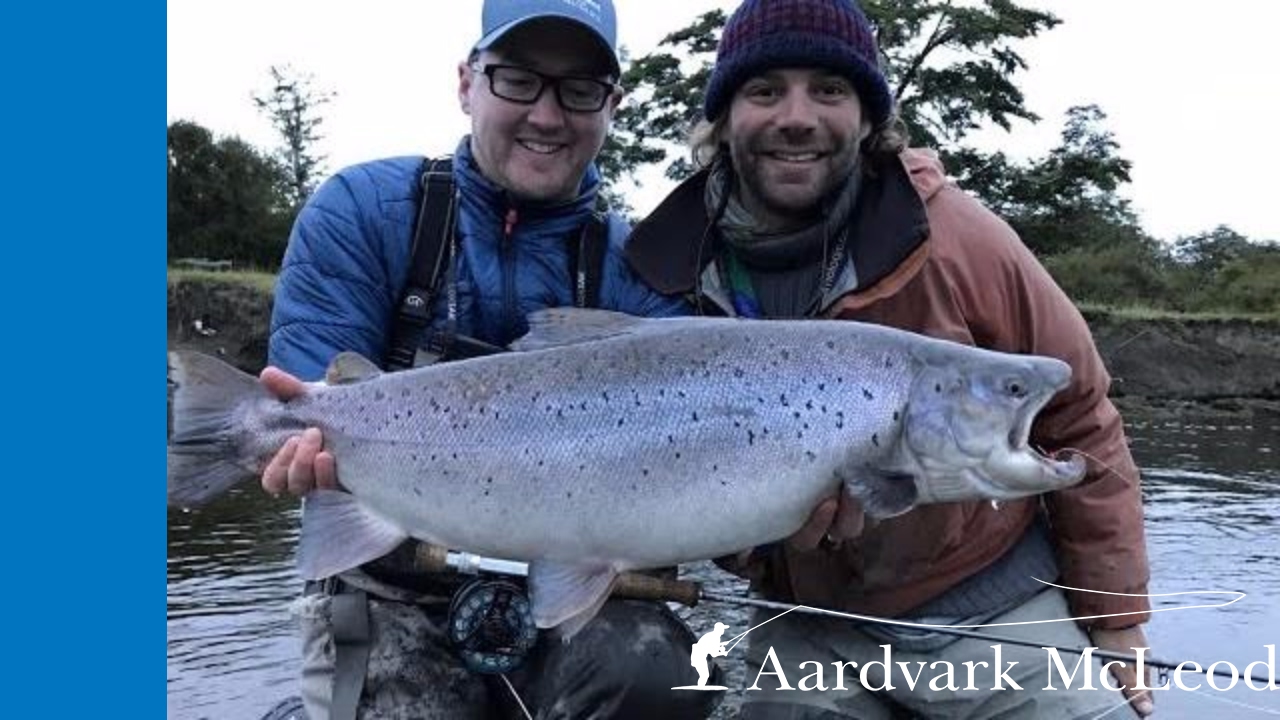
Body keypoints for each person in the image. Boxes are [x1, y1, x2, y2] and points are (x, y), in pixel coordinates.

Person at [621, 0, 1155, 717]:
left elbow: (1081, 415)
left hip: (998, 610)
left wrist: (1117, 616)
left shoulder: (962, 238)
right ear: (723, 118)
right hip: (811, 625)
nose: (797, 116)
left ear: (870, 117)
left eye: (830, 90)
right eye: (765, 89)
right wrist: (750, 543)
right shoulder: (668, 266)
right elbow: (670, 478)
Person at [257, 1, 717, 718]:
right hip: (387, 586)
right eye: (518, 81)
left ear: (612, 106)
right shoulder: (363, 210)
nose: (547, 114)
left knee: (666, 675)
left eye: (579, 90)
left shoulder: (644, 264)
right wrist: (293, 440)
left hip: (587, 595)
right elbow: (310, 393)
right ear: (467, 82)